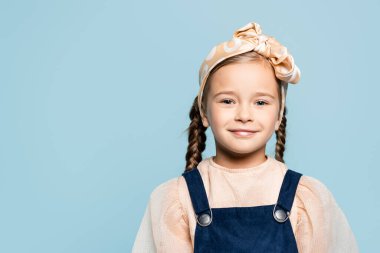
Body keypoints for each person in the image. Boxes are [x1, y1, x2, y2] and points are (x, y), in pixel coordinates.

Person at [132, 21, 359, 252]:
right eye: (227, 101)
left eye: (260, 102)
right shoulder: (176, 199)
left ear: (279, 115)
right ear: (204, 112)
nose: (244, 115)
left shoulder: (307, 198)